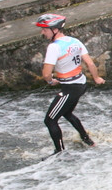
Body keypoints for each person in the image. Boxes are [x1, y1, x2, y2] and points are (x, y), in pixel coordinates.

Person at [36, 13, 105, 154]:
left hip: (70, 88)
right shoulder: (74, 41)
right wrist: (97, 78)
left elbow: (46, 73)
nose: (42, 32)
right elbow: (90, 63)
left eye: (44, 29)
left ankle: (59, 152)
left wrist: (50, 81)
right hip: (81, 84)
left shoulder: (54, 47)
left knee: (50, 120)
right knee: (67, 113)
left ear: (54, 29)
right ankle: (87, 140)